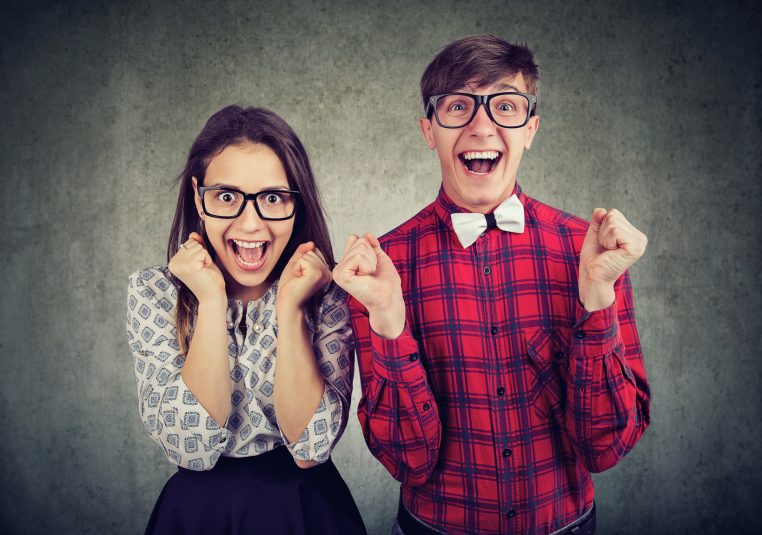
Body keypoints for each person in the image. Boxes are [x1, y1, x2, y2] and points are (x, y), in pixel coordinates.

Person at [333, 35, 651, 534]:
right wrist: (391, 324)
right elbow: (406, 462)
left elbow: (604, 447)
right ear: (429, 130)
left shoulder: (591, 252)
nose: (482, 126)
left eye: (505, 105)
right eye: (458, 106)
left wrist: (596, 300)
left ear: (530, 129)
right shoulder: (379, 269)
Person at [126, 105, 366, 534]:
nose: (250, 223)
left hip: (306, 514)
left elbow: (311, 448)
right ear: (199, 197)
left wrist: (291, 309)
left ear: (297, 204)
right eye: (227, 196)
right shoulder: (153, 292)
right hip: (197, 518)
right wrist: (211, 298)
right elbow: (193, 448)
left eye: (273, 198)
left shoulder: (325, 294)